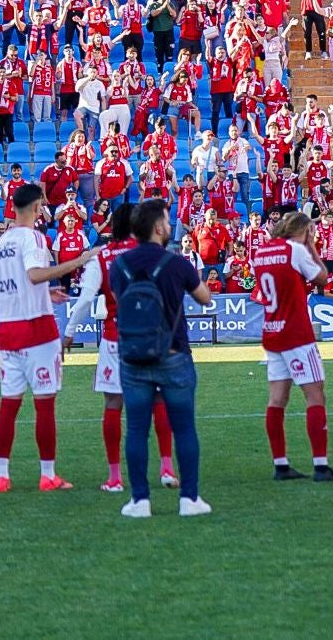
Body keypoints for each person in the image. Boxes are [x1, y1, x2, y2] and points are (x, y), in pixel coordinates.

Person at [108, 199, 212, 518]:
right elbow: (205, 298)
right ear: (157, 228)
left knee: (136, 430)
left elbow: (118, 302)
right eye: (166, 221)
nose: (170, 226)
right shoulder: (176, 263)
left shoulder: (119, 265)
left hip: (134, 357)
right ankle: (189, 498)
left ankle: (140, 500)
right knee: (184, 428)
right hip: (173, 354)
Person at [0, 182, 95, 493]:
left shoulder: (0, 243)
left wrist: (43, 292)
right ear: (36, 207)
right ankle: (47, 475)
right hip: (36, 329)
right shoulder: (34, 237)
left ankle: (1, 475)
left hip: (8, 328)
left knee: (9, 404)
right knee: (44, 403)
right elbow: (34, 273)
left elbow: (9, 286)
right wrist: (79, 260)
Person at [66, 203, 178, 494]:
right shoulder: (154, 254)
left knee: (113, 405)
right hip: (153, 336)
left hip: (117, 338)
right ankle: (167, 468)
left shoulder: (103, 257)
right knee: (158, 400)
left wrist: (69, 333)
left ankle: (115, 477)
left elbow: (86, 299)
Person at [253, 211, 333, 482]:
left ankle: (281, 464)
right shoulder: (295, 250)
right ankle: (320, 464)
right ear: (304, 231)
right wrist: (312, 248)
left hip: (272, 331)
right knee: (315, 395)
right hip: (296, 332)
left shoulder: (261, 252)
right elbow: (323, 278)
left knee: (277, 399)